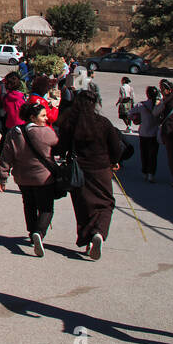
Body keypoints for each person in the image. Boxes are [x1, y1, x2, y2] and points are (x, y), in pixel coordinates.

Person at [52, 88, 127, 259]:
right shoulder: (104, 123)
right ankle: (99, 233)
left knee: (83, 206)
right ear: (95, 104)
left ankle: (87, 241)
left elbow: (61, 147)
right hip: (101, 169)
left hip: (78, 170)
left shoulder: (69, 124)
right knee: (106, 203)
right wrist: (114, 161)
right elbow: (116, 147)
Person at [0, 100, 61, 257]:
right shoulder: (47, 132)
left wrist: (2, 178)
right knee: (46, 208)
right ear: (33, 117)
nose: (46, 119)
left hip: (22, 177)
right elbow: (59, 147)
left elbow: (6, 156)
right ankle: (39, 232)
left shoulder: (14, 132)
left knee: (29, 205)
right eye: (43, 116)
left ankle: (32, 232)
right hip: (43, 178)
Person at [134, 85, 162, 182]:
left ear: (147, 94)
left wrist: (136, 118)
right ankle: (151, 174)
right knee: (153, 155)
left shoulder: (141, 105)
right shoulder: (159, 106)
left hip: (143, 133)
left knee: (144, 154)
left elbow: (130, 114)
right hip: (154, 134)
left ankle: (145, 172)